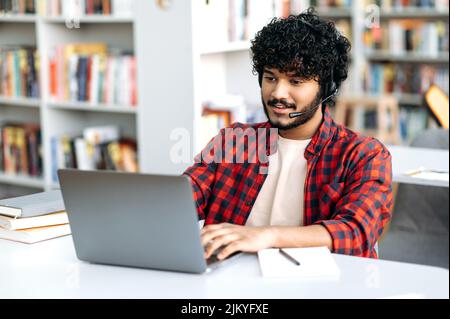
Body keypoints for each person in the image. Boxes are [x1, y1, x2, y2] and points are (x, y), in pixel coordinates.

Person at [183, 8, 393, 261]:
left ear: (326, 87)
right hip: (230, 284)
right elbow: (182, 201)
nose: (278, 93)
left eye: (295, 81)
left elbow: (356, 232)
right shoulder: (234, 140)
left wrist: (267, 236)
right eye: (270, 77)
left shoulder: (363, 154)